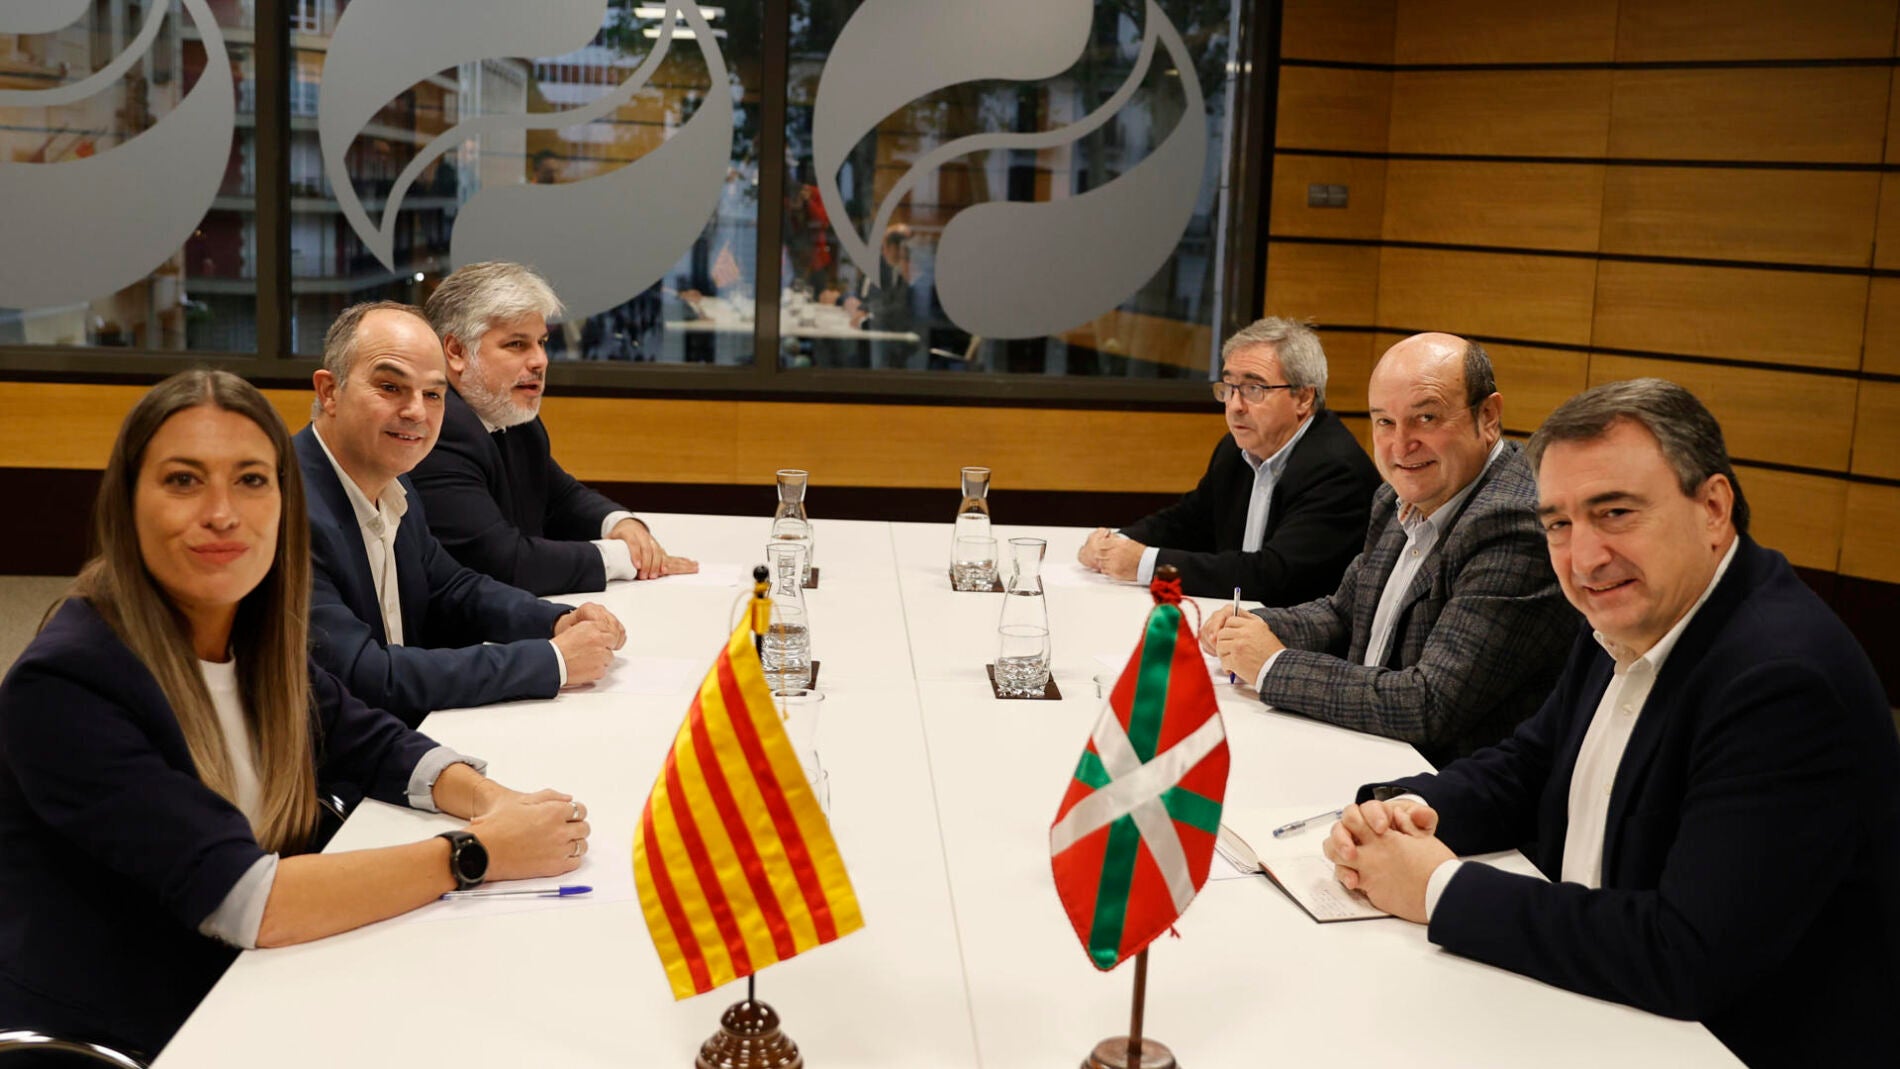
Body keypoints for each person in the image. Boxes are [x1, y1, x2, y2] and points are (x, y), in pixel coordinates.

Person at [0, 371, 592, 1057]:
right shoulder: (68, 683)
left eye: (251, 480)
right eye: (184, 480)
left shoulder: (248, 631)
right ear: (125, 504)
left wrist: (495, 802)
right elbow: (250, 900)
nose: (222, 512)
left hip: (257, 977)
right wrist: (476, 852)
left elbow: (371, 742)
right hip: (145, 1027)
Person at [1321, 379, 1900, 1067]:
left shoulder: (1781, 681)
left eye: (1615, 512)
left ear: (1713, 509)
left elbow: (1685, 952)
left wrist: (1435, 888)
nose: (1584, 557)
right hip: (1593, 1003)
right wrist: (1401, 811)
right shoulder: (1633, 608)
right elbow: (1531, 765)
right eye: (1559, 524)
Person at [1202, 332, 1575, 766]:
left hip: (1438, 783)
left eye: (1426, 418)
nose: (1401, 446)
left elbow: (1427, 703)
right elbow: (1344, 614)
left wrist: (1271, 665)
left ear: (1488, 416)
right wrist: (1251, 626)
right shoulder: (1397, 497)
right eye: (1384, 422)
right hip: (1365, 748)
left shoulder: (1513, 524)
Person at [299, 301, 626, 727]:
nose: (417, 411)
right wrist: (551, 661)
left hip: (398, 738)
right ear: (329, 392)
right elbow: (365, 675)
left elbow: (451, 588)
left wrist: (557, 620)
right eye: (391, 387)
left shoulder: (393, 480)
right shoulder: (288, 509)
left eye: (433, 394)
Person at [410, 260, 696, 595]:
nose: (540, 361)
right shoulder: (439, 428)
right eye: (517, 344)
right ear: (456, 351)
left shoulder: (512, 416)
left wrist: (620, 523)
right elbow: (502, 562)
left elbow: (561, 499)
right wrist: (622, 557)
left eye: (542, 342)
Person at [1078, 317, 1379, 604]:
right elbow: (1188, 521)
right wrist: (1114, 543)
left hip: (1297, 634)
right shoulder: (1237, 450)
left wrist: (1145, 564)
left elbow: (1271, 577)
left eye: (1253, 389)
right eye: (1229, 388)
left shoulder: (1336, 472)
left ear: (1303, 398)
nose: (1234, 406)